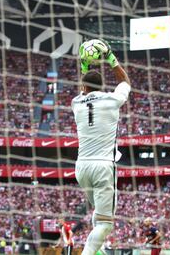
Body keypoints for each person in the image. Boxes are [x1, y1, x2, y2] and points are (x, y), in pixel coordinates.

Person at [72, 39, 131, 255]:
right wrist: (110, 57)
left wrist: (85, 64)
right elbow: (125, 82)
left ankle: (99, 253)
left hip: (81, 168)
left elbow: (84, 87)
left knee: (99, 217)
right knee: (105, 224)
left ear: (85, 87)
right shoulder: (112, 100)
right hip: (103, 167)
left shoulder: (76, 103)